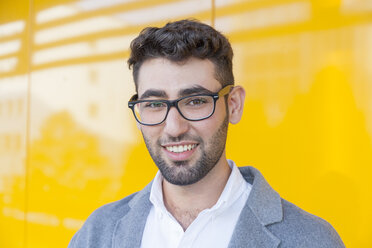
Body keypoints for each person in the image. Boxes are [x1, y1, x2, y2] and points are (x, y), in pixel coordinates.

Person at [68, 19, 345, 248]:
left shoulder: (313, 240)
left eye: (195, 101)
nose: (174, 128)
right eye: (154, 104)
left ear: (233, 105)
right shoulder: (97, 234)